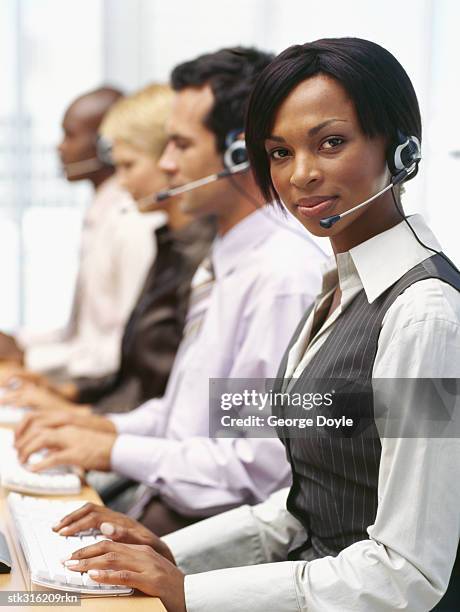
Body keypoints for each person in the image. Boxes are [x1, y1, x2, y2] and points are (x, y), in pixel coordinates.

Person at [48, 38, 460, 612]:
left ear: (401, 148)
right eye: (281, 152)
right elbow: (306, 500)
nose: (301, 175)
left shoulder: (425, 317)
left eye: (331, 143)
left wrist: (190, 589)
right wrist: (172, 553)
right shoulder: (339, 291)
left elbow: (408, 571)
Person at [14, 47, 326, 535]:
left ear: (238, 153)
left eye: (179, 145)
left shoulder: (282, 279)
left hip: (214, 528)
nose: (166, 163)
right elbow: (191, 413)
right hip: (171, 501)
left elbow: (256, 466)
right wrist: (103, 428)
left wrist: (113, 448)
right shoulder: (228, 259)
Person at [1, 84, 214, 414]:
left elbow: (238, 433)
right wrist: (71, 401)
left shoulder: (141, 229)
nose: (122, 180)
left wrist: (81, 416)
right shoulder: (169, 242)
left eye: (128, 166)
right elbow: (148, 383)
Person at [0, 87, 159, 380]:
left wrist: (27, 357)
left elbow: (121, 349)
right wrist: (19, 343)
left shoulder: (132, 221)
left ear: (105, 146)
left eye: (70, 135)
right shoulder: (101, 212)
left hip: (106, 396)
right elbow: (82, 335)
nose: (60, 147)